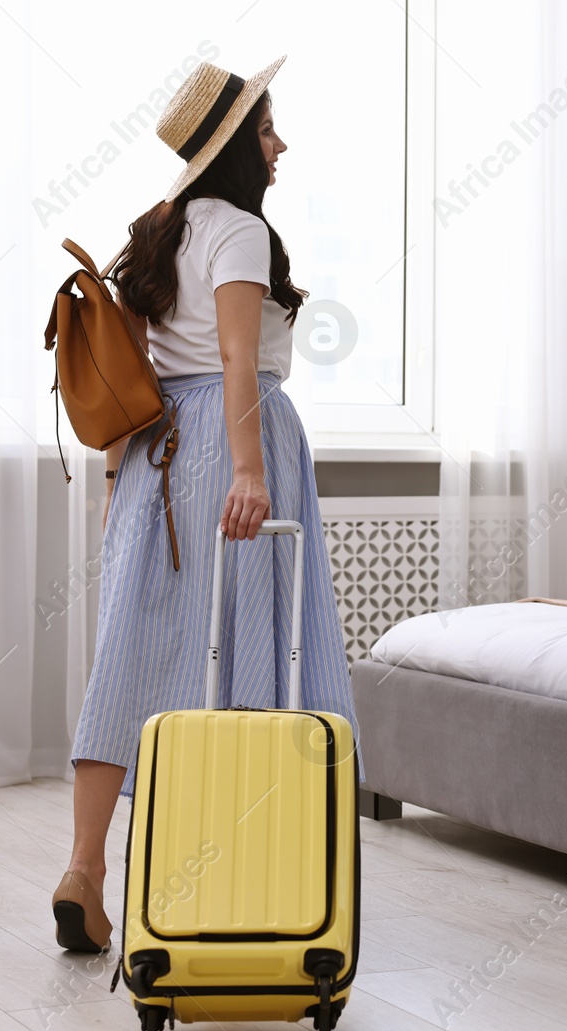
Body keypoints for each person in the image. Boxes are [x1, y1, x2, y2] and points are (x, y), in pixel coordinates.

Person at [50, 56, 356, 953]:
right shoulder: (241, 233)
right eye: (268, 130)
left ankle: (86, 869)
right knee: (248, 651)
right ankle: (239, 869)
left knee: (130, 656)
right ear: (233, 148)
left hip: (150, 455)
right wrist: (251, 471)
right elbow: (235, 359)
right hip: (229, 443)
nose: (280, 143)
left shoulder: (157, 230)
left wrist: (117, 484)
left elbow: (131, 372)